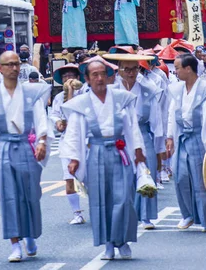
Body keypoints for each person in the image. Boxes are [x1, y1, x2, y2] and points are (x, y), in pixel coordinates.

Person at [61, 56, 145, 260]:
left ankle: (122, 240)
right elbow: (74, 132)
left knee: (123, 198)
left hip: (120, 152)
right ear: (88, 79)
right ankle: (108, 243)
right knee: (100, 199)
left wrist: (138, 150)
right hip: (96, 152)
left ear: (108, 76)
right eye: (94, 75)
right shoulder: (81, 103)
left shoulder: (121, 98)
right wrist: (74, 158)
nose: (99, 78)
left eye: (102, 74)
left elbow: (131, 126)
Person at [0, 51, 51, 263]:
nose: (14, 68)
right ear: (0, 68)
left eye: (16, 64)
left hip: (26, 145)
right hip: (3, 147)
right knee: (8, 196)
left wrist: (42, 142)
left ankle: (31, 235)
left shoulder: (31, 94)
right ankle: (15, 243)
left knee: (30, 193)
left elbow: (41, 120)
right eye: (9, 64)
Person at [166, 54, 206, 232]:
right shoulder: (177, 90)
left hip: (199, 138)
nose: (176, 71)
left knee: (202, 179)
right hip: (182, 139)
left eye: (178, 67)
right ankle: (188, 215)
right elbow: (172, 115)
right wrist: (170, 136)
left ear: (188, 69)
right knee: (181, 178)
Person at [107, 52, 163, 230]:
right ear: (119, 70)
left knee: (147, 172)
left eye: (134, 69)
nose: (131, 73)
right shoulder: (112, 90)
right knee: (123, 176)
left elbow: (156, 119)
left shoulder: (148, 89)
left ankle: (146, 216)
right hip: (120, 136)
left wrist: (160, 148)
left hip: (143, 132)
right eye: (127, 69)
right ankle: (126, 214)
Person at [50, 63, 85, 224]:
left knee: (89, 177)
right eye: (65, 77)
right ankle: (76, 213)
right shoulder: (58, 98)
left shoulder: (85, 93)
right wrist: (58, 122)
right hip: (67, 141)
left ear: (78, 78)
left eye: (71, 76)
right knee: (69, 177)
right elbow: (55, 114)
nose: (68, 79)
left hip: (84, 140)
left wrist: (71, 92)